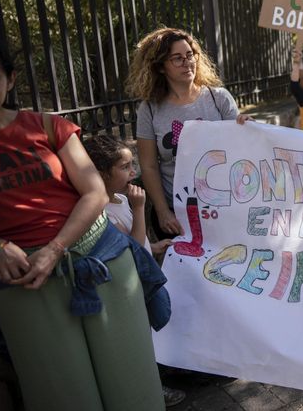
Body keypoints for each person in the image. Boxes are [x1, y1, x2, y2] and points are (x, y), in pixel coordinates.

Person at [0, 32, 168, 410]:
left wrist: (55, 249)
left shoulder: (46, 126)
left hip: (101, 259)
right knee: (65, 396)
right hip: (25, 280)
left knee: (135, 391)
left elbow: (94, 192)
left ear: (9, 80)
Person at [83, 134, 186, 407]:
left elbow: (140, 244)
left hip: (139, 278)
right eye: (125, 167)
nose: (134, 172)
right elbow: (131, 250)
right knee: (140, 338)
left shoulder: (118, 198)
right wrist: (140, 210)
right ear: (103, 174)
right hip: (129, 286)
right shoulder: (101, 213)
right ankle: (153, 386)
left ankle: (164, 371)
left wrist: (154, 246)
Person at [128, 27, 250, 240]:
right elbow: (148, 165)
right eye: (177, 58)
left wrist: (247, 128)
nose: (187, 62)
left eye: (190, 55)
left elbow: (241, 148)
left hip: (224, 208)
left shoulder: (218, 98)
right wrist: (162, 210)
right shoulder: (149, 109)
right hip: (178, 214)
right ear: (161, 67)